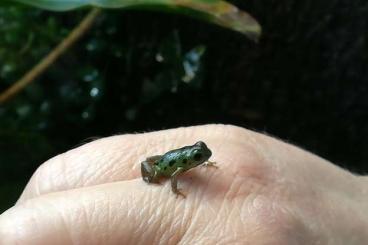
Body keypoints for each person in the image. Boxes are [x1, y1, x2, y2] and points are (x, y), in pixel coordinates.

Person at [0, 125, 367, 244]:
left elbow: (194, 160)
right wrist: (167, 190)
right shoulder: (179, 168)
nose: (202, 160)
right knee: (156, 171)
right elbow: (172, 174)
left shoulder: (197, 158)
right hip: (161, 167)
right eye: (199, 158)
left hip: (169, 160)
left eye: (201, 157)